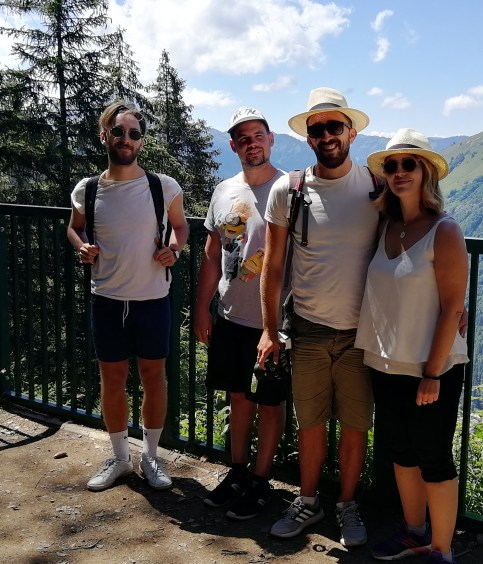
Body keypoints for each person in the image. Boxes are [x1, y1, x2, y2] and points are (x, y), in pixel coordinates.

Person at [258, 87, 378, 547]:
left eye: (334, 126)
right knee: (310, 423)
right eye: (317, 129)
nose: (326, 135)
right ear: (308, 137)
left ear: (351, 131)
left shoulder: (377, 187)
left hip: (360, 332)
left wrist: (453, 300)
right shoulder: (289, 191)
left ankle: (346, 505)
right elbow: (272, 267)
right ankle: (309, 501)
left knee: (354, 425)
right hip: (306, 329)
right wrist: (270, 331)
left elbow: (417, 241)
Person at [356, 129, 469, 564]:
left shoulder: (445, 230)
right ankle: (415, 532)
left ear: (426, 173)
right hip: (385, 361)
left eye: (409, 164)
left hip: (430, 367)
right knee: (401, 453)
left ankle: (442, 550)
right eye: (392, 165)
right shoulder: (387, 226)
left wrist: (432, 373)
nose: (399, 172)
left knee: (433, 456)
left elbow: (451, 308)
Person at [66, 102, 189, 492]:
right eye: (119, 132)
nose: (126, 140)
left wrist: (175, 249)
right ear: (104, 136)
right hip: (107, 297)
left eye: (134, 134)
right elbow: (75, 228)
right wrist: (81, 245)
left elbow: (181, 227)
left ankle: (151, 457)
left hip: (153, 297)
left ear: (141, 141)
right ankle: (120, 458)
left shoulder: (162, 186)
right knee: (112, 379)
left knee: (155, 377)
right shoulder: (88, 189)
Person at [194, 107, 286, 520]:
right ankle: (237, 472)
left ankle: (262, 481)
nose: (252, 142)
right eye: (243, 138)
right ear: (234, 146)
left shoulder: (291, 189)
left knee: (269, 402)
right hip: (231, 314)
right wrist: (201, 308)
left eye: (258, 135)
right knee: (238, 396)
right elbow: (213, 255)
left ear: (271, 139)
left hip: (275, 322)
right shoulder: (223, 191)